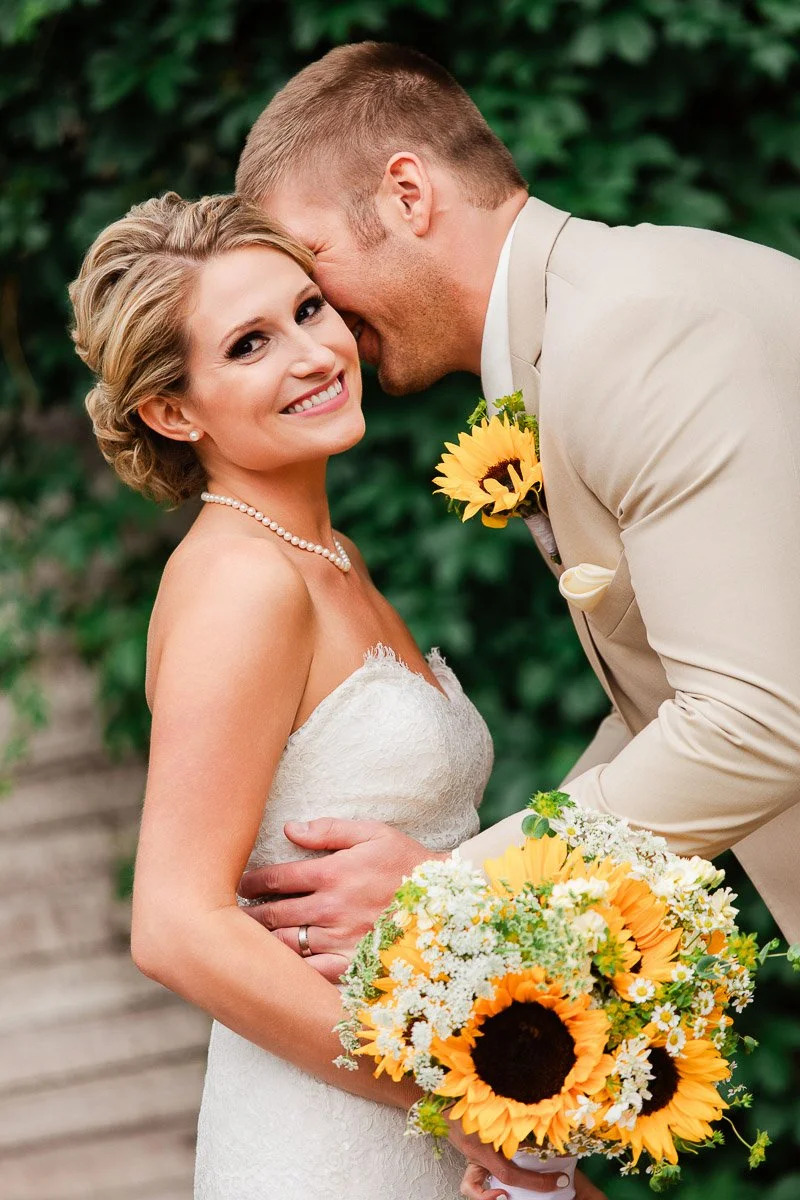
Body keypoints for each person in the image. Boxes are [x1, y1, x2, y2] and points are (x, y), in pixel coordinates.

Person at [232, 38, 800, 1163]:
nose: (322, 324)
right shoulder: (592, 323)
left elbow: (757, 718)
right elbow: (670, 704)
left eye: (312, 267)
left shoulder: (632, 334)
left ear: (407, 192)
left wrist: (452, 890)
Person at [69, 191, 591, 1200]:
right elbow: (175, 923)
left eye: (309, 310)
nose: (313, 355)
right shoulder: (241, 582)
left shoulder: (323, 555)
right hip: (334, 1136)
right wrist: (457, 1098)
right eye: (250, 344)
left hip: (429, 1098)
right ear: (173, 412)